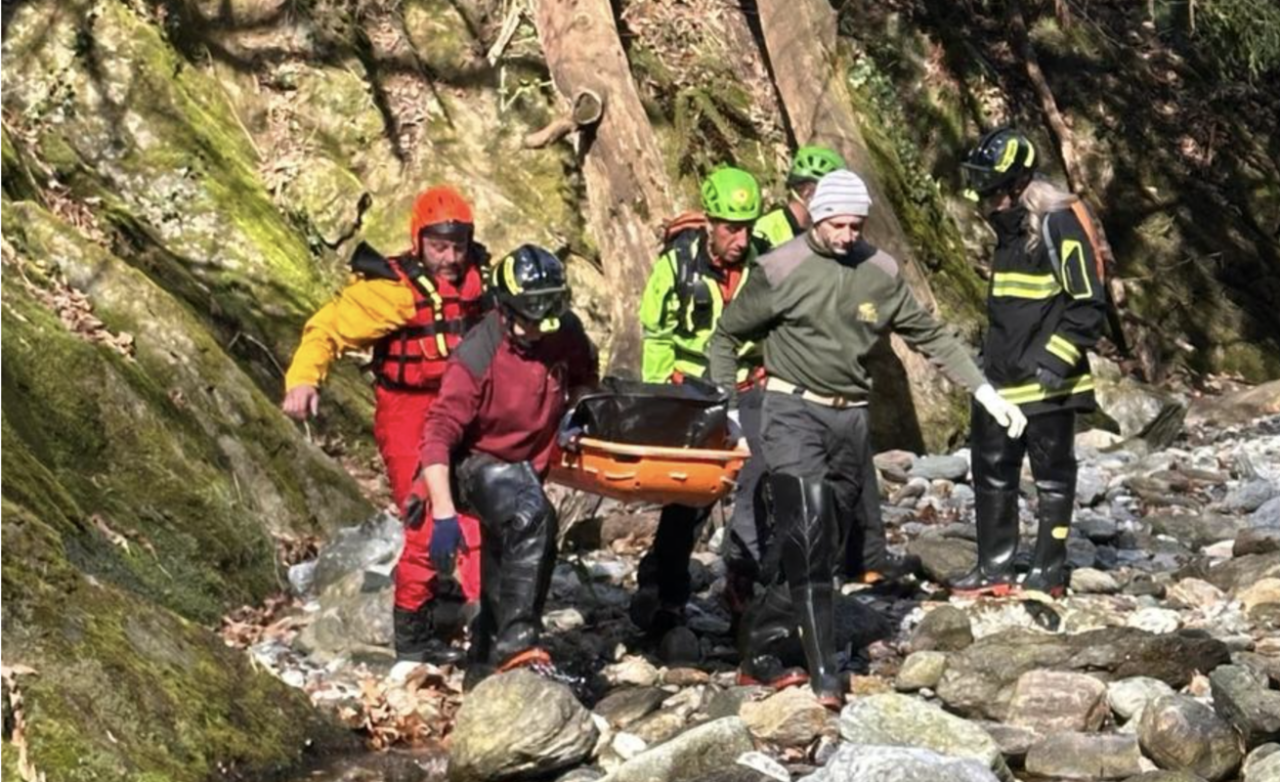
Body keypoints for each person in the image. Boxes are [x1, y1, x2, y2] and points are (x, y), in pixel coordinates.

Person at [708, 170, 1026, 707]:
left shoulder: (878, 271)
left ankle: (760, 647)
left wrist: (985, 392)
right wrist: (730, 411)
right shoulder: (779, 268)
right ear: (816, 215)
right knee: (807, 530)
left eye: (856, 225)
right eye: (838, 224)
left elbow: (929, 334)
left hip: (850, 419)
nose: (848, 235)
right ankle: (823, 669)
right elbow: (726, 337)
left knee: (824, 544)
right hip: (791, 411)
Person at [282, 185, 489, 669]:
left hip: (466, 408)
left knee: (480, 510)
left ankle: (485, 622)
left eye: (458, 245)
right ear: (419, 241)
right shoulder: (392, 293)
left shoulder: (484, 282)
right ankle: (413, 637)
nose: (450, 257)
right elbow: (327, 329)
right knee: (424, 520)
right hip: (408, 413)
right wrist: (304, 379)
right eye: (439, 246)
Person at [406, 244, 598, 688]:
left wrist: (574, 413)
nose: (540, 329)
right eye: (531, 318)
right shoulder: (478, 354)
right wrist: (443, 512)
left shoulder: (560, 330)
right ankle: (519, 645)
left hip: (524, 467)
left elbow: (587, 375)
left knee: (520, 549)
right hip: (471, 465)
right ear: (507, 309)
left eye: (549, 314)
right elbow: (438, 433)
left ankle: (485, 664)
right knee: (533, 515)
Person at [950, 127, 1108, 598]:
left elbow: (1088, 301)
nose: (984, 198)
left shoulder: (1057, 222)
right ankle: (994, 567)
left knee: (1053, 477)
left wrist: (1056, 360)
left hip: (1047, 384)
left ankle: (1049, 570)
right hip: (1000, 381)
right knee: (991, 471)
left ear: (1015, 186)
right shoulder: (1007, 230)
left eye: (991, 188)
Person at [754, 144, 916, 586]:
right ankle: (774, 577)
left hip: (838, 376)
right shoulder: (771, 234)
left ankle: (866, 555)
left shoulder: (844, 241)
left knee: (856, 466)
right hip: (786, 369)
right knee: (796, 487)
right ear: (805, 193)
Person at [633, 166, 765, 656]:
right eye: (732, 226)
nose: (741, 237)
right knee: (687, 499)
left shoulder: (763, 265)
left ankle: (745, 590)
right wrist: (657, 406)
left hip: (750, 386)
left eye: (748, 226)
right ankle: (664, 591)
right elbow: (658, 332)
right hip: (690, 389)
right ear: (711, 223)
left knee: (756, 495)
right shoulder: (676, 264)